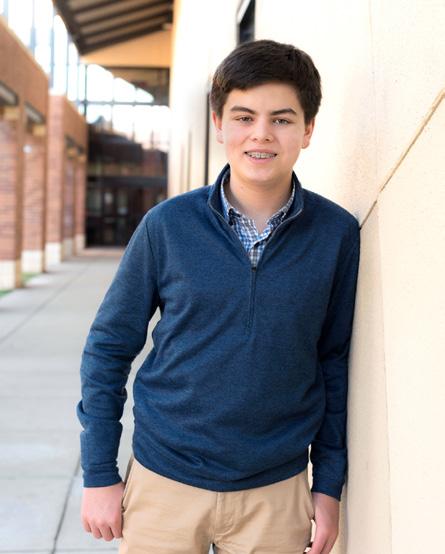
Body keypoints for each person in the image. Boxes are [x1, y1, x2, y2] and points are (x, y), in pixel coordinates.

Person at [77, 39, 360, 554]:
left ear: (308, 130)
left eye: (281, 119)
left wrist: (328, 486)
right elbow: (108, 348)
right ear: (219, 124)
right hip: (164, 481)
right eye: (244, 117)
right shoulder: (167, 226)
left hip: (275, 492)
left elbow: (334, 362)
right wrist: (99, 472)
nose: (261, 134)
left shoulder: (336, 235)